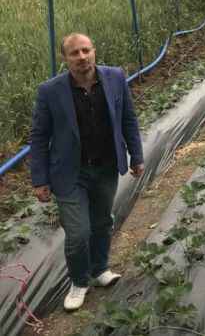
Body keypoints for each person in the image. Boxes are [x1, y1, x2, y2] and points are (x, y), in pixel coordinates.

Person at [29, 33, 144, 311]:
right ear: (65, 59)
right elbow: (39, 136)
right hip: (70, 173)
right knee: (79, 232)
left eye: (86, 50)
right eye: (74, 53)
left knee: (102, 221)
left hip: (105, 166)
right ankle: (79, 281)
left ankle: (100, 268)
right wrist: (40, 179)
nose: (82, 57)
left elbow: (128, 118)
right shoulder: (51, 91)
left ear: (94, 50)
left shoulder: (115, 77)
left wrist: (136, 155)